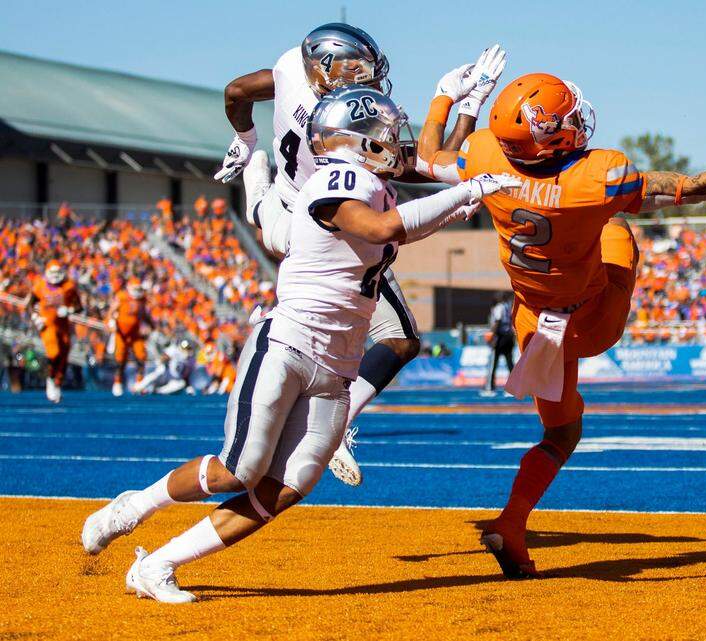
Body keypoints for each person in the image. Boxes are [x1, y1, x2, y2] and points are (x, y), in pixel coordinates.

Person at [80, 84, 518, 603]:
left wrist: (464, 159)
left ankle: (158, 565)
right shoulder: (339, 178)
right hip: (288, 343)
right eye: (385, 133)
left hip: (338, 365)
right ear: (359, 140)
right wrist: (469, 191)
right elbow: (380, 228)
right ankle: (134, 506)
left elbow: (402, 223)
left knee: (286, 487)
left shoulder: (371, 182)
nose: (395, 141)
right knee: (236, 471)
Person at [416, 72, 706, 577]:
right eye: (567, 117)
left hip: (533, 323)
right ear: (547, 134)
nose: (577, 119)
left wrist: (447, 96)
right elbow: (687, 188)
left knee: (559, 434)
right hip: (592, 319)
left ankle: (513, 522)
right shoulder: (599, 175)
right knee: (616, 225)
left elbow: (428, 156)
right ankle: (510, 525)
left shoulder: (484, 154)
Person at [217, 23, 507, 486]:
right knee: (400, 337)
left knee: (262, 210)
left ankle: (255, 177)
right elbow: (435, 166)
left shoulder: (293, 65)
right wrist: (464, 106)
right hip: (322, 232)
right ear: (324, 67)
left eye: (367, 68)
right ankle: (334, 419)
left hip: (284, 212)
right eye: (354, 67)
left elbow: (236, 91)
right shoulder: (340, 125)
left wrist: (246, 138)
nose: (366, 78)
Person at [26, 261, 82, 402]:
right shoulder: (40, 285)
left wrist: (70, 310)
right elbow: (30, 304)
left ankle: (57, 383)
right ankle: (50, 379)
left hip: (63, 326)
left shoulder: (69, 286)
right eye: (53, 273)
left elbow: (79, 306)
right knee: (53, 353)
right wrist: (35, 317)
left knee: (63, 357)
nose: (56, 276)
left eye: (58, 273)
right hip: (47, 325)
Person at [109, 278, 151, 397]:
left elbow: (143, 314)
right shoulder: (122, 296)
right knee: (120, 359)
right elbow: (112, 311)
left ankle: (139, 383)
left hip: (135, 333)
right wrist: (111, 322)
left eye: (139, 289)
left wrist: (151, 325)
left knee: (142, 356)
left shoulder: (142, 299)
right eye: (135, 289)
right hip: (121, 333)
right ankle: (117, 382)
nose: (138, 291)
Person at [483, 291, 514, 393]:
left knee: (493, 363)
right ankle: (513, 387)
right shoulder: (509, 306)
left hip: (500, 337)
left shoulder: (499, 307)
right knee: (510, 363)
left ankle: (489, 387)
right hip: (509, 336)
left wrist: (492, 334)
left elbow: (497, 321)